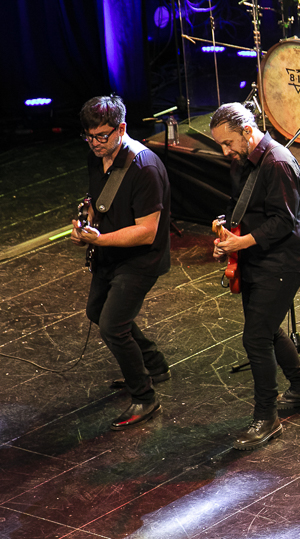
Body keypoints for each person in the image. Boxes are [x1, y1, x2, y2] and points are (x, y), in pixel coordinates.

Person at [210, 102, 300, 450]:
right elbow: (240, 206)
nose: (225, 151)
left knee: (256, 338)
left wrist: (240, 242)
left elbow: (284, 220)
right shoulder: (244, 161)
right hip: (257, 258)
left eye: (228, 143)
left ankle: (267, 418)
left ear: (247, 132)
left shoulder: (277, 162)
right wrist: (224, 232)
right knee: (268, 331)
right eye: (220, 146)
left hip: (284, 263)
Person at [71, 95, 171, 430]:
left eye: (102, 136)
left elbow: (146, 232)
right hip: (110, 252)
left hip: (141, 258)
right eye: (89, 136)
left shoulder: (145, 168)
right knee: (97, 313)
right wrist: (85, 223)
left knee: (113, 325)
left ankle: (144, 396)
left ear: (122, 128)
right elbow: (97, 201)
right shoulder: (95, 156)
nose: (95, 144)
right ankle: (153, 362)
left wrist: (98, 239)